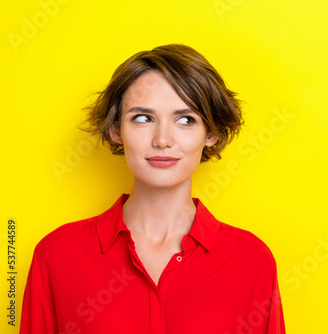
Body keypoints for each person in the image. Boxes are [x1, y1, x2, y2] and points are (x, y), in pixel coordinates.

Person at [20, 44, 286, 334]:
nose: (162, 140)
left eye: (185, 120)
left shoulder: (251, 261)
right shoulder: (57, 256)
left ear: (210, 133)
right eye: (143, 118)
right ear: (115, 129)